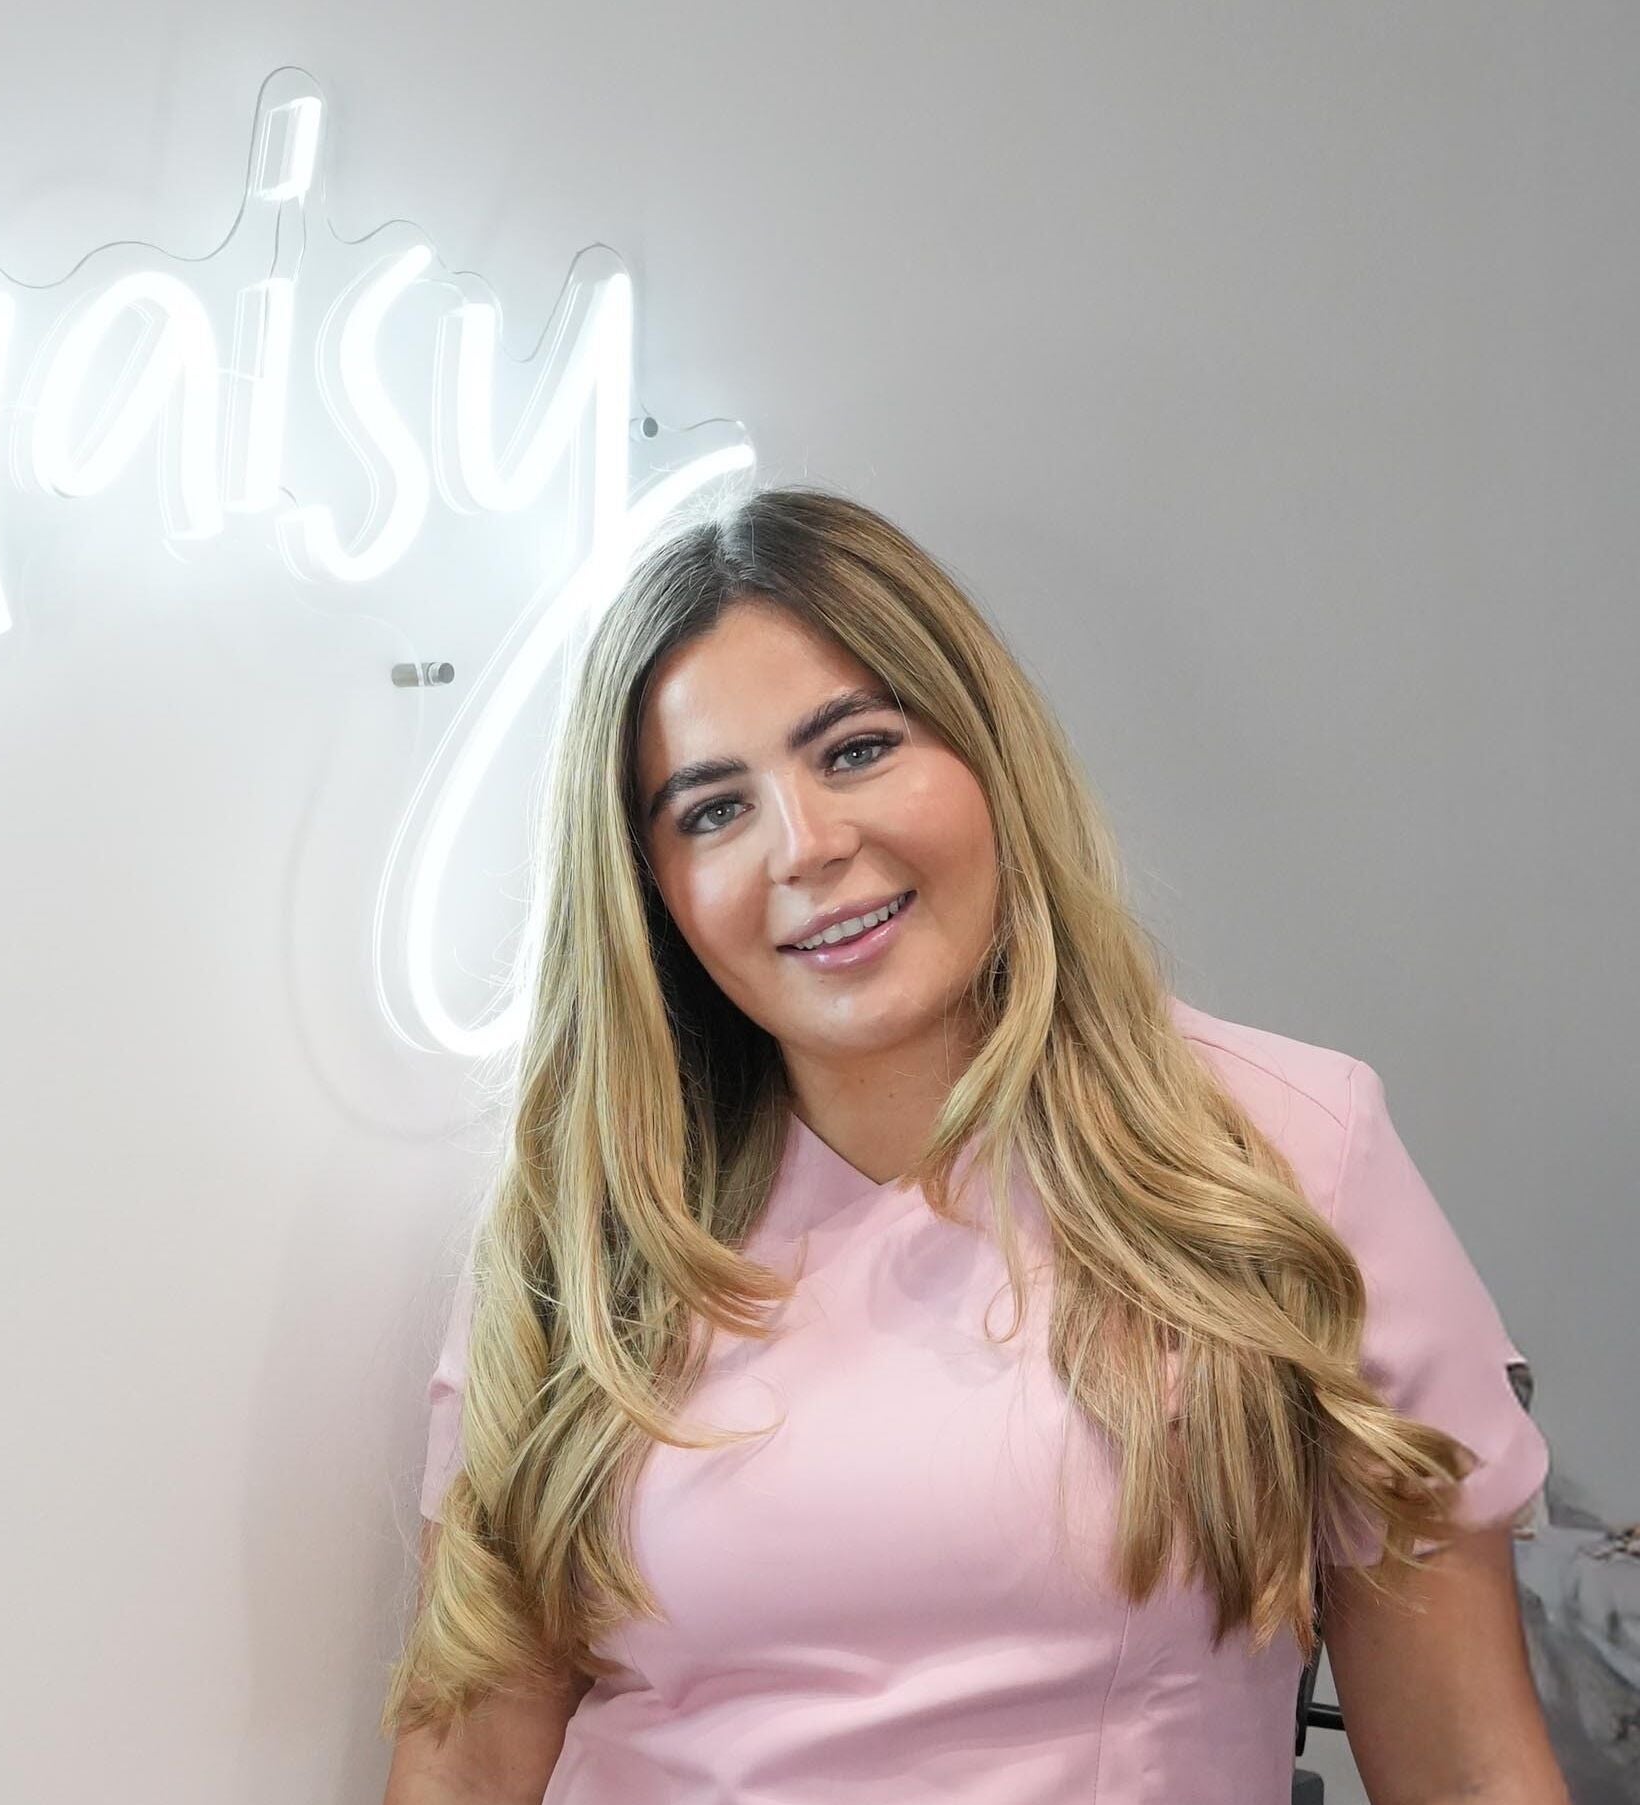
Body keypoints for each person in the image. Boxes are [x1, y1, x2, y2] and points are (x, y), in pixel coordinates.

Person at [377, 489, 1562, 1804]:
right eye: (712, 809)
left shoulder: (1287, 1154)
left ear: (987, 755)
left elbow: (1469, 1770)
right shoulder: (585, 1233)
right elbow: (466, 1753)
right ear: (651, 891)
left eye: (858, 749)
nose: (808, 845)